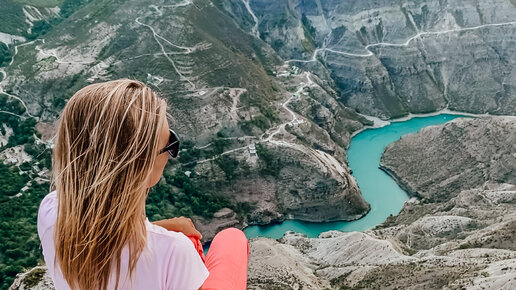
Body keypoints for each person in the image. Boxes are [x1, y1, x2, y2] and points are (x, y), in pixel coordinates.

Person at [37, 79, 249, 290]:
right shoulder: (172, 252)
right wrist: (169, 239)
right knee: (232, 238)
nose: (171, 155)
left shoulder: (51, 211)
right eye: (169, 144)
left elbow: (104, 241)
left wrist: (161, 227)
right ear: (141, 165)